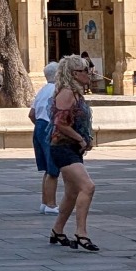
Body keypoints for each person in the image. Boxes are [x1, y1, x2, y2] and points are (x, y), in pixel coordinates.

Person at [47, 80, 97, 251]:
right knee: (88, 187)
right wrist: (80, 139)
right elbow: (60, 123)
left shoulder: (75, 93)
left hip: (72, 148)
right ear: (74, 73)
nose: (88, 72)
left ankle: (57, 230)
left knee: (72, 192)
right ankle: (81, 233)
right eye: (83, 69)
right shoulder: (67, 92)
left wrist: (86, 139)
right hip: (63, 147)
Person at [29, 61, 61, 214]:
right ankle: (51, 204)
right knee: (53, 169)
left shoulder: (42, 90)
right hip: (50, 127)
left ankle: (44, 202)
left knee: (47, 169)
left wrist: (40, 126)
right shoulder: (58, 90)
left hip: (39, 127)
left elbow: (31, 114)